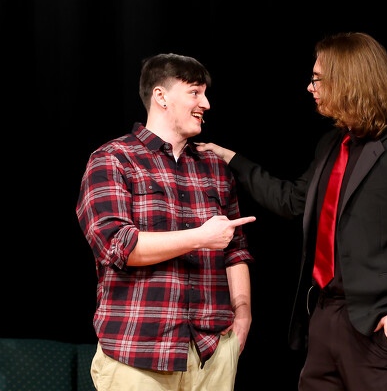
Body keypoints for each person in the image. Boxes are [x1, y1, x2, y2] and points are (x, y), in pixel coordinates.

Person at [196, 32, 387, 391]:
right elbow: (293, 201)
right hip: (325, 316)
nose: (310, 87)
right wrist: (232, 160)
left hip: (380, 323)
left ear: (347, 79)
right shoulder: (333, 143)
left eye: (317, 79)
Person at [76, 53, 256, 391]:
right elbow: (118, 246)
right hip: (138, 354)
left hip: (212, 352)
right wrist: (200, 237)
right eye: (195, 92)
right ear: (161, 96)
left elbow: (235, 251)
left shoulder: (214, 167)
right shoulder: (112, 159)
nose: (206, 103)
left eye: (205, 93)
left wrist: (243, 311)